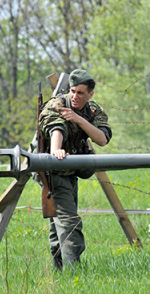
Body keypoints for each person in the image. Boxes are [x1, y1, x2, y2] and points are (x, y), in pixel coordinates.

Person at [38, 69, 112, 270]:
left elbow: (102, 139)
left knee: (59, 223)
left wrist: (79, 119)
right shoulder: (57, 105)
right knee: (69, 223)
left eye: (80, 93)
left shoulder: (93, 110)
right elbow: (56, 128)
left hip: (71, 170)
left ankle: (59, 271)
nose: (75, 96)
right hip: (53, 170)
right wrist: (56, 152)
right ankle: (74, 273)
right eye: (72, 91)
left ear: (90, 95)